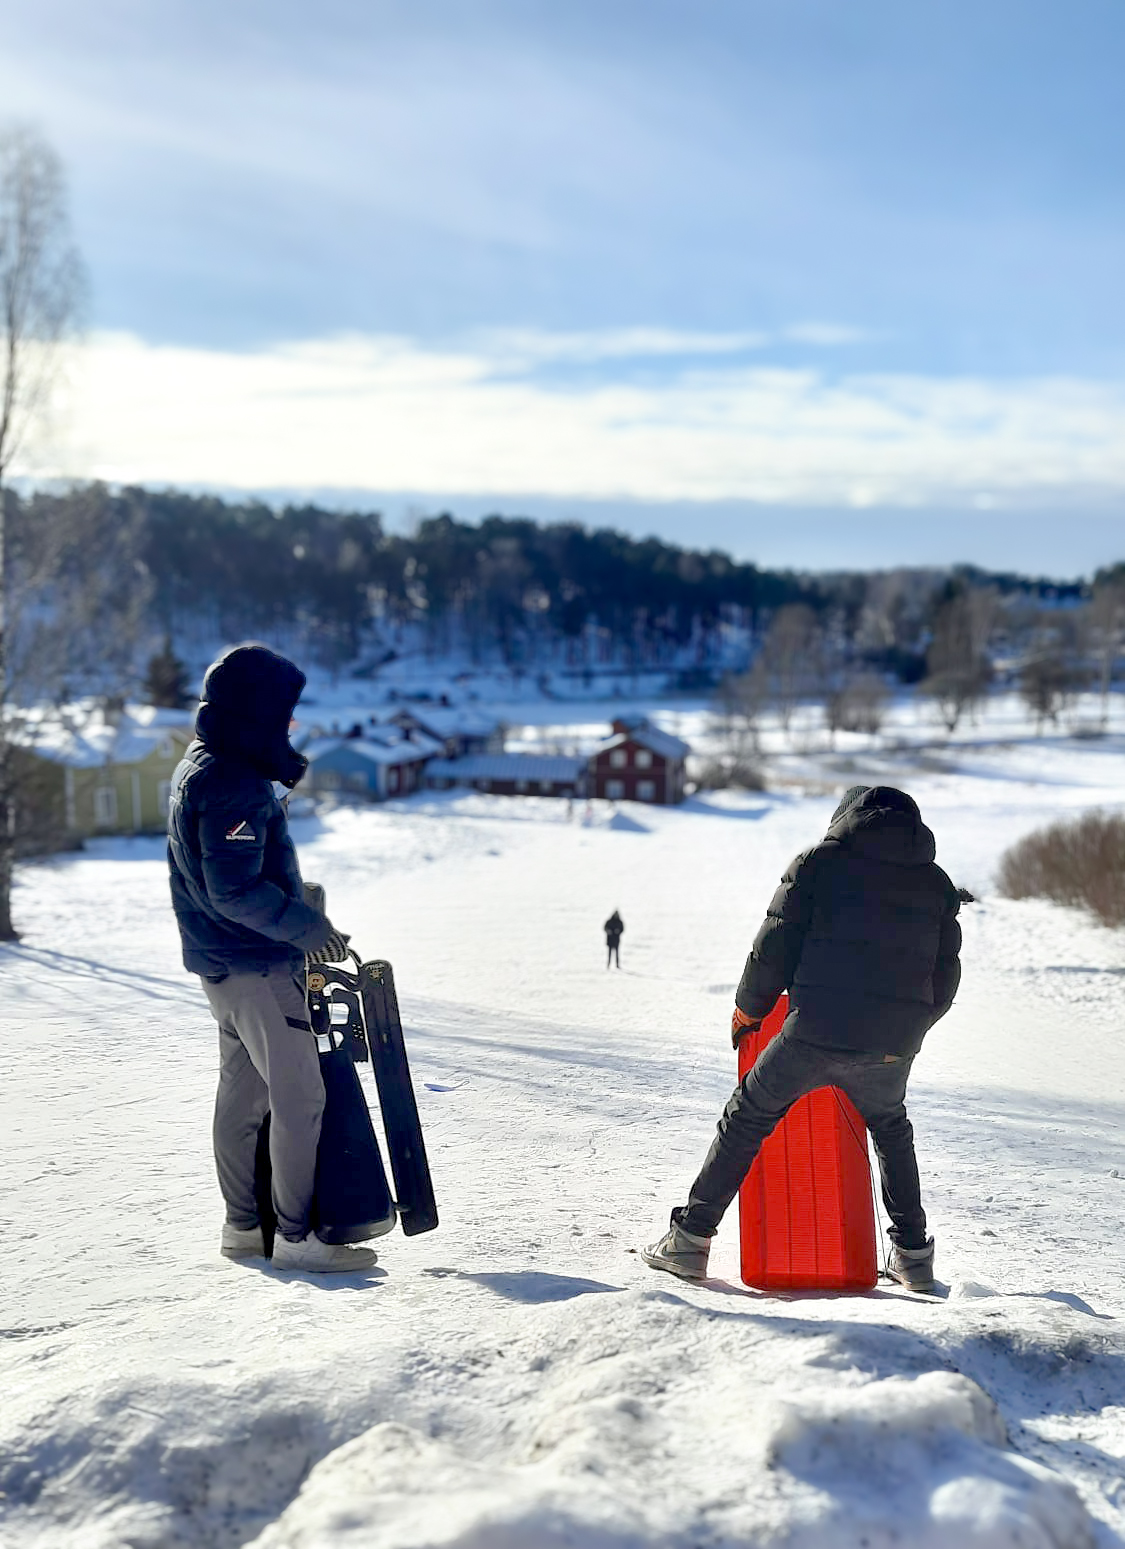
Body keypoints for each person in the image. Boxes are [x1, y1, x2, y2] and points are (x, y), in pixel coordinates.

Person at [643, 785, 962, 1294]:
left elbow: (774, 945)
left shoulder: (818, 863)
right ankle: (914, 1261)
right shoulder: (937, 883)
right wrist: (910, 1028)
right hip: (892, 1045)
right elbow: (945, 978)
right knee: (890, 1129)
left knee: (748, 1115)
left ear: (847, 818)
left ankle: (689, 1241)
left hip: (813, 1031)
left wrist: (748, 1009)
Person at [167, 643, 377, 1273]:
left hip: (221, 966)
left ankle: (242, 1227)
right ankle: (295, 1237)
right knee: (300, 1096)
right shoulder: (231, 781)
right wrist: (308, 929)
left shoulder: (201, 763)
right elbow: (233, 889)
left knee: (243, 1095)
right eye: (284, 711)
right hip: (257, 965)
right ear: (255, 710)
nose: (291, 724)